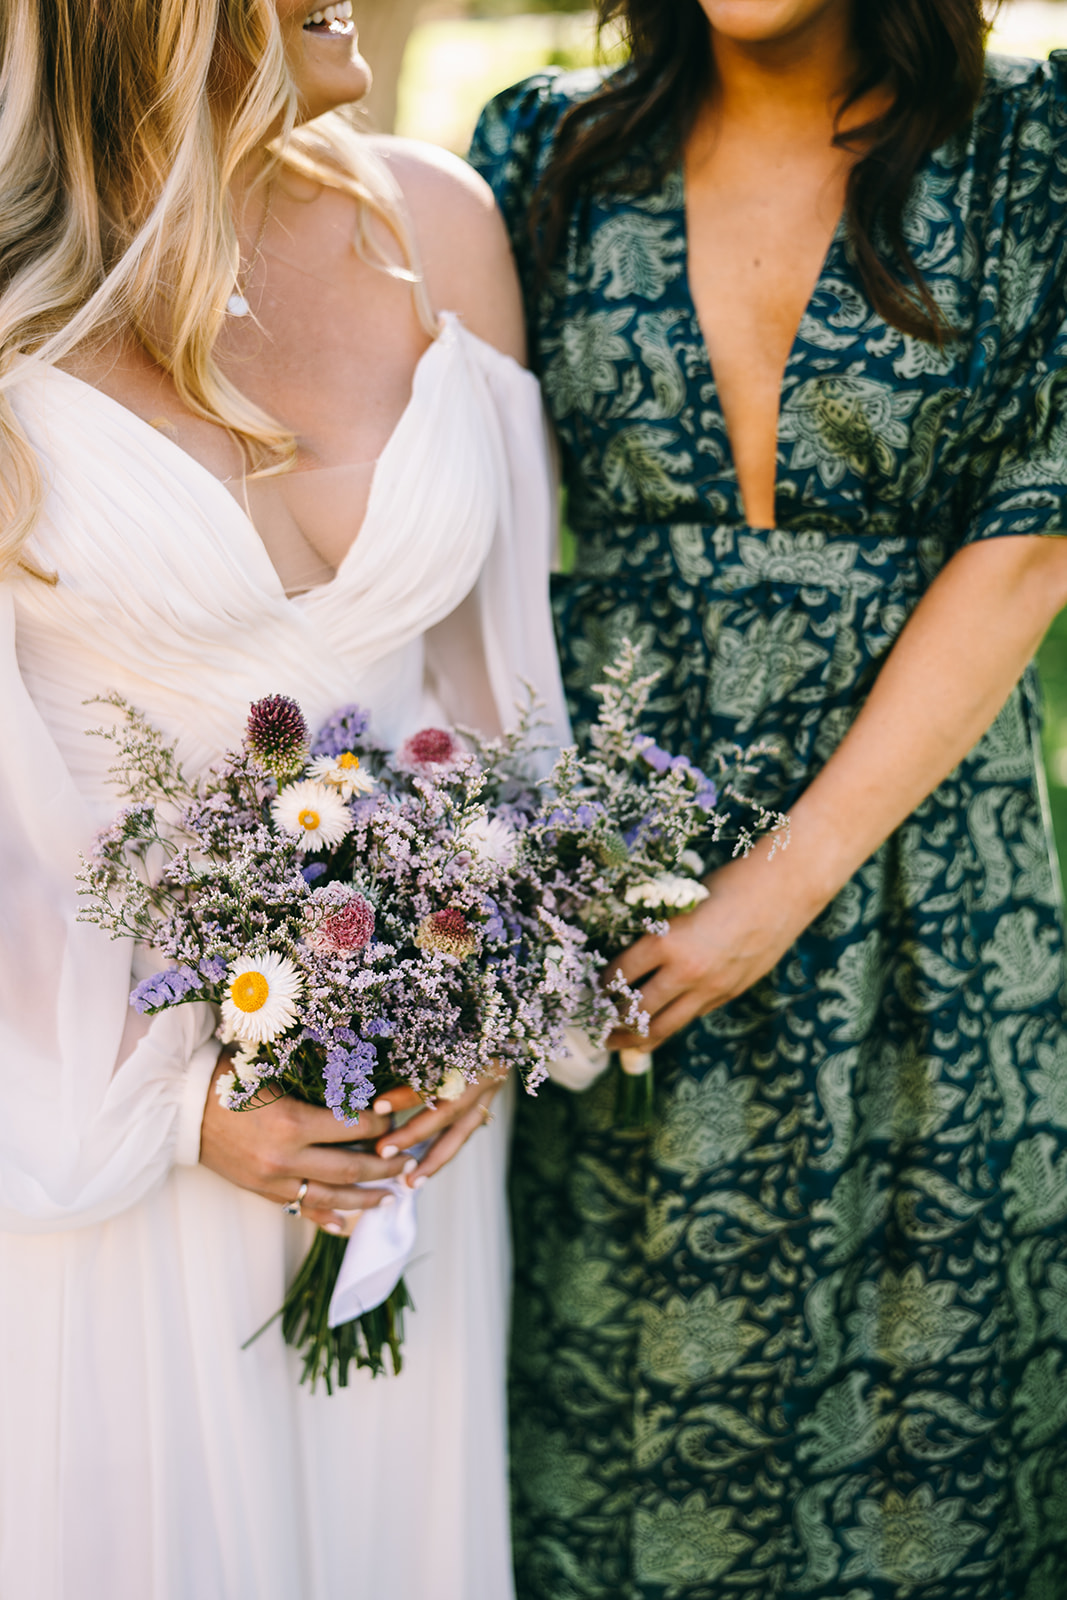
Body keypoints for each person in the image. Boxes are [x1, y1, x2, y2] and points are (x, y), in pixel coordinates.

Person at [471, 0, 1067, 1594]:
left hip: (917, 886)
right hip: (608, 895)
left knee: (915, 1434)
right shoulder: (544, 152)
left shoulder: (1032, 149)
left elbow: (1032, 537)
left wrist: (780, 885)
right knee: (612, 1408)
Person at [0, 3, 569, 1597]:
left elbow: (500, 698)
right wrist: (180, 1107)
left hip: (406, 1136)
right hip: (93, 1138)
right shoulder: (7, 297)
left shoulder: (435, 226)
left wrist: (495, 990)